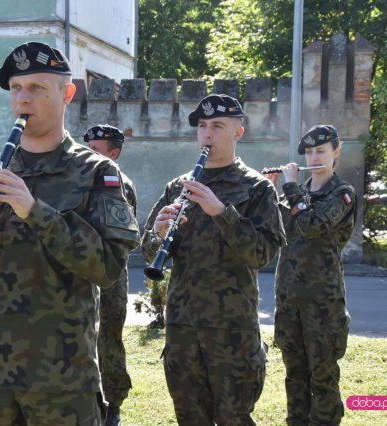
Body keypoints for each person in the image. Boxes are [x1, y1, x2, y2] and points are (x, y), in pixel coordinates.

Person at [0, 41, 140, 426]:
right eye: (16, 89)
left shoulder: (99, 173)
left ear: (66, 94)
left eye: (37, 88)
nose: (22, 99)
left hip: (61, 378)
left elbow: (108, 267)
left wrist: (34, 211)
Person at [141, 94, 286, 425]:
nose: (207, 134)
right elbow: (149, 253)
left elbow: (262, 253)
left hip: (231, 329)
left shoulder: (258, 188)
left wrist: (222, 213)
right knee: (189, 417)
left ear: (238, 132)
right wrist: (159, 234)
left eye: (218, 126)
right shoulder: (178, 186)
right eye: (202, 126)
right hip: (183, 328)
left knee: (235, 417)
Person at [264, 125, 356, 426]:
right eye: (309, 152)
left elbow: (313, 225)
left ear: (335, 153)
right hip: (289, 297)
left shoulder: (342, 194)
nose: (314, 158)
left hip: (322, 300)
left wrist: (291, 189)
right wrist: (271, 189)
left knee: (323, 372)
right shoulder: (297, 193)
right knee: (294, 371)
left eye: (321, 151)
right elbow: (275, 228)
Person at [83, 124, 136, 426]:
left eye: (95, 150)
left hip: (110, 277)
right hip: (84, 273)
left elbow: (122, 237)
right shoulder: (82, 180)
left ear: (113, 154)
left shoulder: (118, 182)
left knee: (108, 342)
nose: (87, 154)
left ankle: (113, 403)